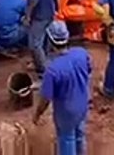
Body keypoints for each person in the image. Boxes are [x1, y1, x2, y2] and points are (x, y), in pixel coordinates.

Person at [33, 20, 92, 155]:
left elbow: (46, 99)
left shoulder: (52, 70)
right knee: (79, 134)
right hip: (83, 105)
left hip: (66, 112)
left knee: (67, 139)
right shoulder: (81, 53)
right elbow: (88, 70)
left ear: (50, 41)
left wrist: (37, 114)